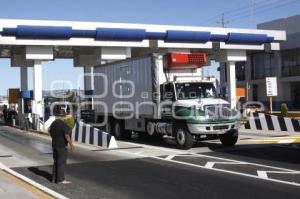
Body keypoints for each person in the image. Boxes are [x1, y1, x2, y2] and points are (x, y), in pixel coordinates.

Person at [49, 111, 74, 184]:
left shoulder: (53, 123)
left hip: (54, 143)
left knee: (56, 161)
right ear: (63, 117)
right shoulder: (62, 124)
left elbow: (49, 130)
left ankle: (53, 179)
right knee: (61, 162)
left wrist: (54, 137)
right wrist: (71, 145)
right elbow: (66, 135)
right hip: (61, 145)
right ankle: (60, 180)